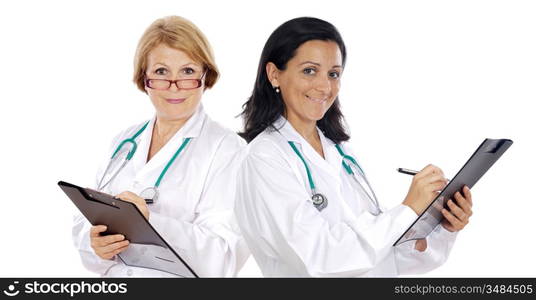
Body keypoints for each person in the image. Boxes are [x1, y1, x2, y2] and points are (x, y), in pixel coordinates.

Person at [235, 17, 473, 277]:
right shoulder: (264, 158)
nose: (325, 86)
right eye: (309, 70)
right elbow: (318, 259)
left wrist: (437, 225)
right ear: (274, 74)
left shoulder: (340, 153)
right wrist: (407, 210)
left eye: (333, 74)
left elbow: (383, 256)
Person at [72, 16, 248, 277]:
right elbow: (86, 220)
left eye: (187, 72)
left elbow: (223, 257)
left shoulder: (227, 149)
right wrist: (94, 242)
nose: (174, 86)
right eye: (161, 72)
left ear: (205, 76)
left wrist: (150, 222)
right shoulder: (125, 140)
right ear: (144, 78)